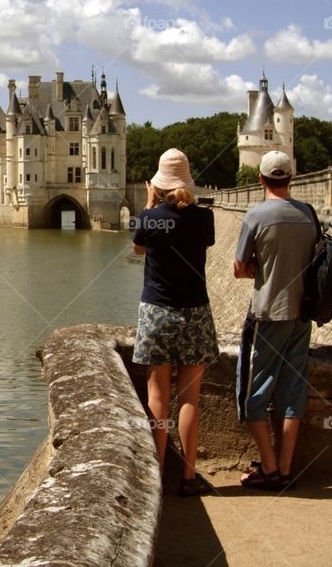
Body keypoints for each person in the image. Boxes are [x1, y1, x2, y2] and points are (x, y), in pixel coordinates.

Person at [132, 148, 218, 497]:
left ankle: (156, 480)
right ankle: (187, 477)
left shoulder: (149, 218)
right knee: (189, 399)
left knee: (157, 398)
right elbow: (202, 242)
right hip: (195, 312)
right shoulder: (204, 218)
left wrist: (151, 205)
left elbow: (139, 250)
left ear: (157, 183)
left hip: (157, 312)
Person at [233, 150, 317, 491]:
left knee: (255, 394)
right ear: (291, 178)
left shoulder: (256, 216)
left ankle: (268, 469)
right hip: (302, 315)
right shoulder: (308, 213)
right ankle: (284, 470)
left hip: (268, 313)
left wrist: (260, 269)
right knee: (292, 394)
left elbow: (239, 269)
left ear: (261, 179)